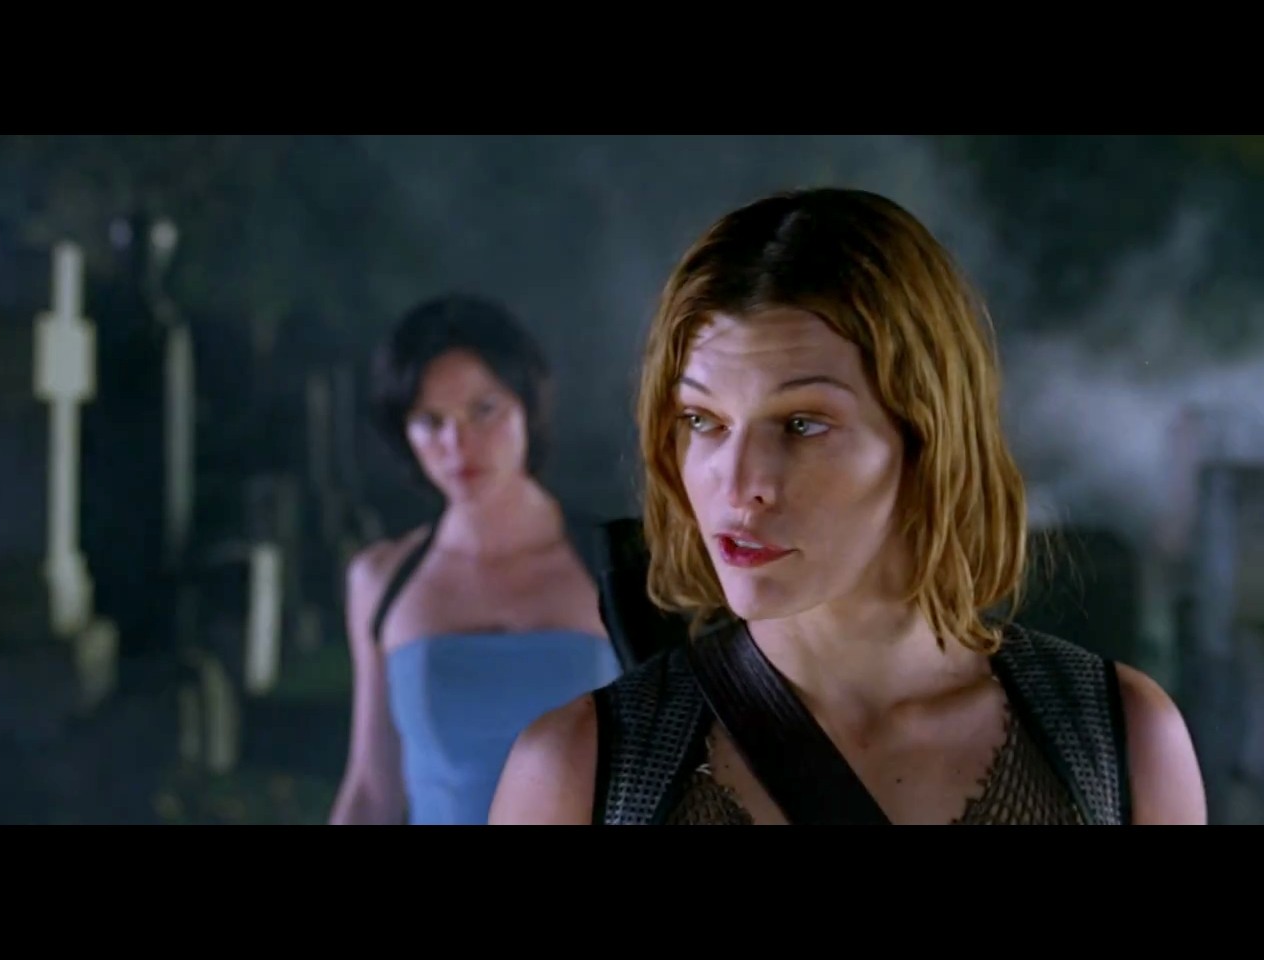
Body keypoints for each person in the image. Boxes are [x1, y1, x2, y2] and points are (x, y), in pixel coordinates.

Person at [488, 187, 1207, 825]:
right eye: (703, 421)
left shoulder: (1119, 744)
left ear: (925, 437)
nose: (738, 484)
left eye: (802, 424)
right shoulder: (580, 773)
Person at [328, 294, 619, 825]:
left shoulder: (617, 564)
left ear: (526, 406)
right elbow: (371, 789)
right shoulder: (382, 579)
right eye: (430, 420)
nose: (457, 444)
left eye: (483, 411)